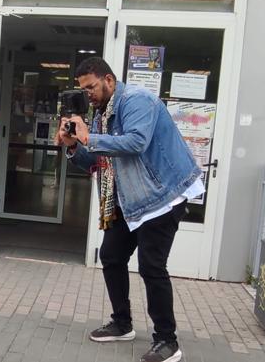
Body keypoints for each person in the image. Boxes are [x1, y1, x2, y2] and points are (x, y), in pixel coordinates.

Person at [57, 57, 203, 362]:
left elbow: (135, 142)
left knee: (151, 267)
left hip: (163, 195)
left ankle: (168, 341)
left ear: (109, 80)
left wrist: (88, 137)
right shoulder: (100, 115)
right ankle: (122, 324)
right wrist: (73, 146)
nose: (89, 95)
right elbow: (97, 162)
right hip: (129, 199)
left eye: (92, 87)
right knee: (111, 256)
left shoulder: (138, 100)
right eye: (83, 90)